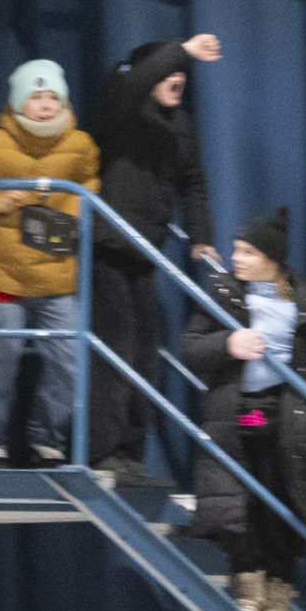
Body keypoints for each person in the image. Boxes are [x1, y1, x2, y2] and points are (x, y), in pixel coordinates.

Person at [180, 207, 306, 611]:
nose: (236, 257)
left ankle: (279, 590)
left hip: (286, 413)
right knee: (242, 497)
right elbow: (191, 347)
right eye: (235, 249)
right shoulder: (225, 291)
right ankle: (248, 581)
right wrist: (228, 344)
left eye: (247, 251)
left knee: (281, 497)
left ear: (271, 258)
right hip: (243, 410)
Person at [0, 60, 100, 469]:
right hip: (3, 275)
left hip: (55, 276)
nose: (45, 106)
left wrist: (78, 213)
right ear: (17, 102)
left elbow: (92, 187)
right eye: (35, 96)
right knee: (3, 353)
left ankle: (46, 441)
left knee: (69, 359)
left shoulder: (81, 145)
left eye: (53, 97)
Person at [85, 33, 221, 485]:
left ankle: (130, 452)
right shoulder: (122, 109)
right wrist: (182, 50)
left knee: (147, 352)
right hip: (108, 247)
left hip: (146, 252)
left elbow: (194, 181)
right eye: (170, 70)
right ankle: (103, 452)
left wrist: (201, 236)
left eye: (184, 73)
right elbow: (134, 79)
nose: (178, 77)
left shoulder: (181, 124)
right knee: (117, 348)